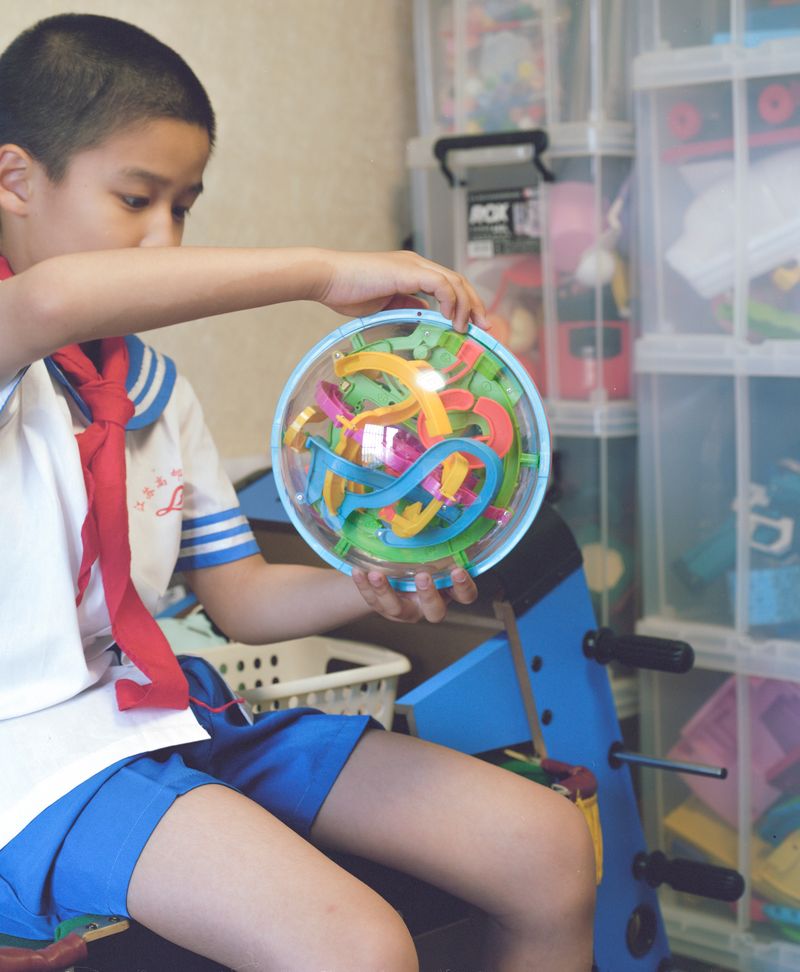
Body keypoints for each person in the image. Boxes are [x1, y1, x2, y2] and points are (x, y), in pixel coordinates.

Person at [0, 13, 596, 972]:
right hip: (26, 767)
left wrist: (370, 581)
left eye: (183, 207)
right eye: (136, 199)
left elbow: (241, 600)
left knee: (547, 844)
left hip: (162, 718)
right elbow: (49, 302)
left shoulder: (153, 392)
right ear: (15, 179)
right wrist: (324, 271)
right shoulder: (15, 341)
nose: (164, 239)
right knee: (358, 947)